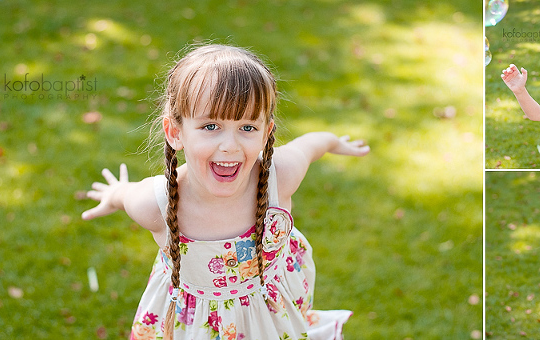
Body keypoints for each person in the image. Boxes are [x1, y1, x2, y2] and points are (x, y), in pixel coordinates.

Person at [81, 44, 370, 340]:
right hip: (194, 327)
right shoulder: (155, 205)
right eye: (210, 126)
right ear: (175, 132)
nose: (230, 146)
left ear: (267, 132)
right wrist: (114, 193)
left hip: (271, 321)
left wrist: (336, 142)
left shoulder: (279, 177)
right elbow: (125, 196)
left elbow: (312, 144)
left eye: (247, 127)